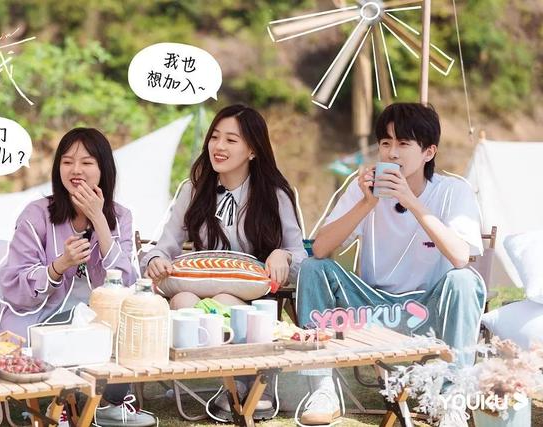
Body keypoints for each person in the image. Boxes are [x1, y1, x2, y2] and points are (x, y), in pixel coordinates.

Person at [295, 103, 485, 425]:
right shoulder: (364, 189)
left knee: (464, 280)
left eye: (403, 143)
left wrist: (411, 201)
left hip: (427, 310)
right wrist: (367, 203)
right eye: (385, 143)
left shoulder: (453, 191)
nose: (391, 153)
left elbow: (459, 257)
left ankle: (451, 399)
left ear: (428, 152)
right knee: (314, 269)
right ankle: (323, 388)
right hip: (371, 309)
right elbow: (320, 250)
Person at [142, 104, 308, 420]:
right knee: (183, 299)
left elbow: (300, 257)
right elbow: (163, 246)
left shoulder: (274, 194)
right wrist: (156, 261)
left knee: (224, 299)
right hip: (197, 291)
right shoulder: (193, 190)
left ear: (253, 150)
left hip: (254, 298)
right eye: (215, 137)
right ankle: (235, 383)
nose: (218, 146)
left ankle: (242, 384)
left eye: (231, 140)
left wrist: (282, 254)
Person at [0, 128, 154, 427]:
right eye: (67, 162)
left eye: (87, 162)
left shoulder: (120, 216)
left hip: (98, 315)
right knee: (76, 334)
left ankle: (107, 403)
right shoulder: (36, 214)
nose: (76, 170)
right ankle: (63, 401)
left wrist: (99, 220)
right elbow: (14, 283)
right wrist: (60, 265)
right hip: (43, 315)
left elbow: (125, 282)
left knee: (123, 324)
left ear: (103, 169)